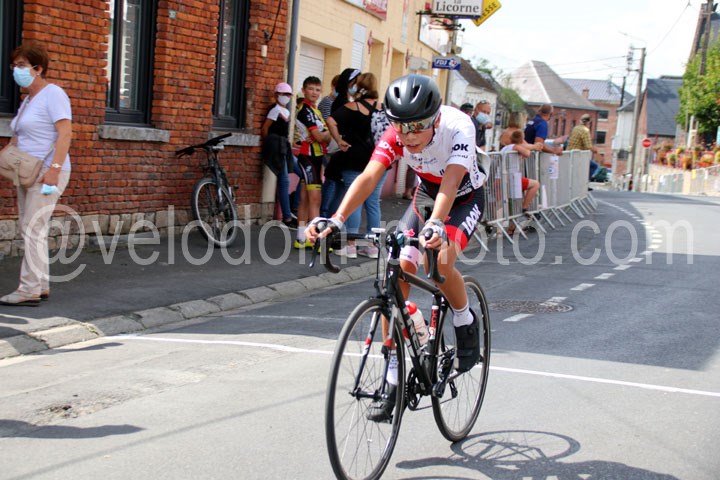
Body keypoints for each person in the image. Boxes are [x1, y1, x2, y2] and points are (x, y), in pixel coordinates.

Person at [306, 74, 486, 421]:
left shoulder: (459, 127)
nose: (409, 136)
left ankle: (464, 318)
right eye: (402, 127)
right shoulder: (396, 134)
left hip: (463, 197)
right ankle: (393, 376)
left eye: (418, 126)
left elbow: (451, 182)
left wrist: (437, 223)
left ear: (435, 119)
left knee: (440, 263)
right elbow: (369, 176)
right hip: (425, 196)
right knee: (398, 273)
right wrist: (337, 220)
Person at [1, 41, 72, 306]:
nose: (16, 71)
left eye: (21, 65)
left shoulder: (53, 94)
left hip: (47, 171)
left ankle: (28, 288)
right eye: (14, 66)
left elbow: (65, 133)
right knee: (31, 227)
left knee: (33, 227)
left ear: (38, 68)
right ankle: (39, 284)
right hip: (27, 171)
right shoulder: (29, 100)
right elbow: (21, 135)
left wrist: (54, 170)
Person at [326, 72, 385, 258]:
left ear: (358, 86)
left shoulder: (353, 106)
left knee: (354, 200)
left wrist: (339, 140)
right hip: (379, 160)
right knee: (373, 202)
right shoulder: (382, 109)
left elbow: (331, 120)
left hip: (355, 158)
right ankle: (372, 246)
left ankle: (351, 245)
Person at [293, 76, 332, 249]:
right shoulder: (306, 110)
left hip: (316, 158)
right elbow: (321, 136)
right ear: (303, 90)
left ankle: (301, 238)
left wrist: (323, 135)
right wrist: (324, 134)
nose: (314, 93)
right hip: (308, 157)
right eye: (310, 89)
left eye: (317, 89)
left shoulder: (316, 110)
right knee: (315, 200)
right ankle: (315, 240)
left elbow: (326, 137)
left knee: (305, 199)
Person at [261, 82, 297, 228]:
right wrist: (271, 145)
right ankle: (287, 216)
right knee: (284, 181)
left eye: (288, 95)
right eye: (284, 94)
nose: (286, 97)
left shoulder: (286, 111)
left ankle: (294, 207)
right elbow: (265, 128)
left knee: (301, 173)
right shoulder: (275, 110)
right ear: (277, 95)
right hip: (278, 148)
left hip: (285, 148)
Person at [500, 130, 540, 234]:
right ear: (522, 140)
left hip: (505, 178)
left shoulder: (505, 148)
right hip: (513, 178)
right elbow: (527, 153)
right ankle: (525, 207)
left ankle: (511, 228)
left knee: (512, 205)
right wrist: (526, 146)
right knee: (535, 184)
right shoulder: (516, 147)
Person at [568, 113, 600, 180]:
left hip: (569, 153)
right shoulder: (585, 130)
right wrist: (595, 150)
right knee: (594, 166)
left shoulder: (575, 128)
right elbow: (588, 146)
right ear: (588, 122)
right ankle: (585, 181)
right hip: (578, 155)